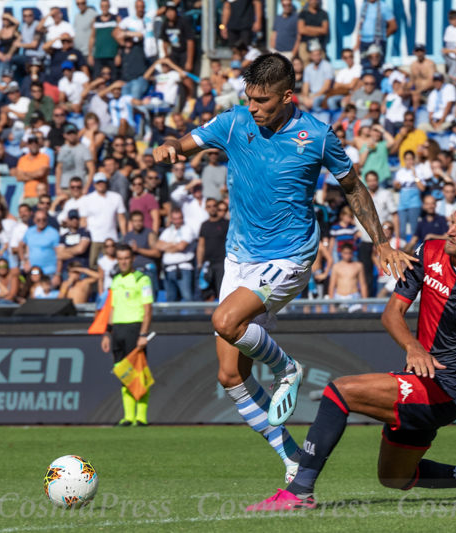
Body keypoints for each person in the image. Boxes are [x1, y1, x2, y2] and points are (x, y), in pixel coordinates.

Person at [150, 53, 411, 477]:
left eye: (262, 100)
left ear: (287, 97)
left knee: (225, 320)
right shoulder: (234, 122)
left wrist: (380, 241)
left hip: (288, 256)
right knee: (230, 375)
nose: (253, 107)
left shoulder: (318, 135)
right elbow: (188, 143)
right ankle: (292, 458)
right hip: (239, 256)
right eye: (248, 98)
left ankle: (287, 367)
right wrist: (170, 148)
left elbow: (353, 187)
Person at [250, 198, 456, 511]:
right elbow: (391, 313)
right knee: (395, 477)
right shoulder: (429, 252)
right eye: (452, 222)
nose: (450, 231)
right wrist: (413, 347)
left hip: (446, 390)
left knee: (339, 392)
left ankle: (299, 491)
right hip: (419, 380)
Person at [100, 244, 153, 426]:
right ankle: (128, 417)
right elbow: (112, 308)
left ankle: (141, 417)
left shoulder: (142, 279)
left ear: (132, 259)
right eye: (120, 258)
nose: (123, 262)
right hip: (118, 331)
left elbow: (148, 309)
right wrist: (108, 333)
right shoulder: (115, 280)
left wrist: (143, 334)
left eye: (126, 258)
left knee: (138, 373)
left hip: (135, 329)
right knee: (123, 373)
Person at [79, 173, 127, 269]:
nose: (100, 185)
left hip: (111, 239)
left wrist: (125, 236)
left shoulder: (116, 197)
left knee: (114, 266)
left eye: (103, 182)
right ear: (94, 184)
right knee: (93, 266)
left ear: (106, 183)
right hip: (94, 239)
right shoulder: (87, 199)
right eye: (98, 183)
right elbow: (83, 221)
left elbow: (121, 218)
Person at [197, 199, 229, 300]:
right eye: (209, 206)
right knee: (208, 294)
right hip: (208, 264)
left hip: (221, 263)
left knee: (222, 293)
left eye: (214, 205)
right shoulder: (204, 225)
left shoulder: (226, 223)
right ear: (206, 208)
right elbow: (201, 245)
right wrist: (199, 263)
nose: (212, 208)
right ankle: (208, 316)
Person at [122, 210, 161, 291]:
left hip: (147, 271)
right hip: (133, 272)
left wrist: (138, 249)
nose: (138, 223)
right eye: (135, 221)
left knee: (150, 297)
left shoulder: (149, 233)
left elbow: (157, 253)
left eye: (140, 221)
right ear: (131, 222)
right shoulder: (128, 236)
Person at [353, 0, 397, 67]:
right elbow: (361, 25)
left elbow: (393, 26)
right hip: (364, 42)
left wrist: (382, 37)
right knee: (364, 65)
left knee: (378, 66)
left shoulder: (383, 6)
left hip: (377, 42)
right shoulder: (364, 5)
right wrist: (357, 43)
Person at [327, 242, 368, 308]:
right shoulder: (336, 266)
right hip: (339, 298)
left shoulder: (358, 266)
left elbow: (363, 285)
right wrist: (331, 305)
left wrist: (365, 304)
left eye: (349, 253)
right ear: (341, 253)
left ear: (352, 253)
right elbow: (332, 285)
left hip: (354, 298)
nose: (347, 256)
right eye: (345, 253)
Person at [20, 210, 61, 277]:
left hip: (49, 271)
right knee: (33, 286)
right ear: (34, 220)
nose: (41, 222)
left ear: (47, 220)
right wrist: (23, 262)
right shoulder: (29, 231)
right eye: (39, 220)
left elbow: (59, 255)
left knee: (48, 287)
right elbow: (21, 246)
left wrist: (58, 274)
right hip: (34, 270)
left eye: (43, 219)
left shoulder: (53, 233)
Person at [56, 124, 95, 193]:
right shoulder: (63, 149)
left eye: (73, 133)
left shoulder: (84, 149)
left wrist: (86, 187)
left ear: (77, 134)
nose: (71, 136)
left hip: (79, 187)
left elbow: (91, 169)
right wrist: (57, 187)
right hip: (65, 187)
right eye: (69, 133)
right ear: (65, 135)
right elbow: (59, 168)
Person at [56, 210, 92, 281]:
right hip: (67, 270)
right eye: (72, 219)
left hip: (82, 269)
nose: (74, 221)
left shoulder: (84, 233)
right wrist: (75, 251)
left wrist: (65, 250)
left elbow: (80, 249)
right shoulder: (63, 236)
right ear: (68, 220)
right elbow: (60, 255)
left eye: (76, 218)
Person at [16, 136, 50, 206]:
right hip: (27, 195)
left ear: (38, 144)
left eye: (35, 143)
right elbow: (19, 177)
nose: (33, 145)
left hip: (41, 196)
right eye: (31, 143)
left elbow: (41, 173)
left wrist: (25, 174)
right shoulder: (22, 159)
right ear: (28, 145)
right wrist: (35, 174)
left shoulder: (44, 157)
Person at [89, 0, 119, 78]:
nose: (104, 8)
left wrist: (119, 54)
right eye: (103, 6)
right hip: (99, 55)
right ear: (100, 7)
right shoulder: (96, 20)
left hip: (112, 55)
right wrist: (90, 54)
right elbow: (92, 37)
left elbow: (120, 37)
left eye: (106, 6)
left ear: (109, 7)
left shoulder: (116, 18)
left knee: (114, 78)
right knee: (97, 77)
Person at [300, 42, 333, 112]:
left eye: (318, 54)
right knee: (299, 101)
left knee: (315, 101)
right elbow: (305, 85)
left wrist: (314, 97)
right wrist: (305, 97)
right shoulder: (308, 68)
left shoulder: (327, 66)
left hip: (323, 94)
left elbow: (327, 86)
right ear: (310, 56)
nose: (316, 57)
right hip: (311, 94)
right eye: (314, 55)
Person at [297, 0, 329, 65]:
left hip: (320, 45)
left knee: (321, 67)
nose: (314, 1)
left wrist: (307, 28)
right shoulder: (303, 13)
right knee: (305, 66)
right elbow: (301, 30)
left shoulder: (323, 14)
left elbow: (324, 30)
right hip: (305, 45)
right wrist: (319, 30)